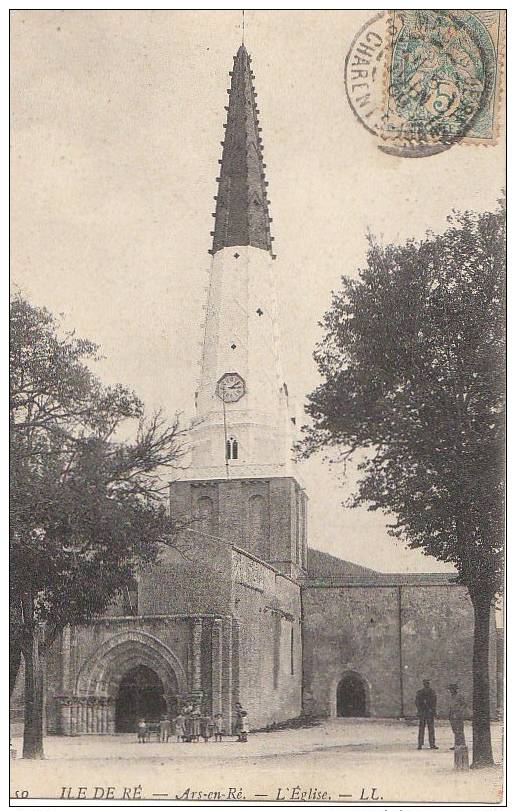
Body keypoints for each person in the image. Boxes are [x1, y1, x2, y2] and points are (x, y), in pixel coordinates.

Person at [415, 679, 438, 750]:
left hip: (427, 713)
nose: (426, 685)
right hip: (425, 712)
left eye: (427, 683)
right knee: (426, 729)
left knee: (426, 729)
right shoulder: (429, 692)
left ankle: (428, 744)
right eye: (425, 683)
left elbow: (434, 703)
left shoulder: (430, 692)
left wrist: (433, 710)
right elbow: (417, 702)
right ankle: (423, 744)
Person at [447, 683, 467, 749]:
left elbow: (464, 705)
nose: (451, 691)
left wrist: (459, 712)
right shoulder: (451, 697)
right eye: (450, 689)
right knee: (455, 730)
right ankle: (457, 744)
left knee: (460, 729)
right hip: (452, 714)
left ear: (455, 690)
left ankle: (462, 744)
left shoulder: (459, 696)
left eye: (452, 689)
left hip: (458, 714)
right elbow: (451, 706)